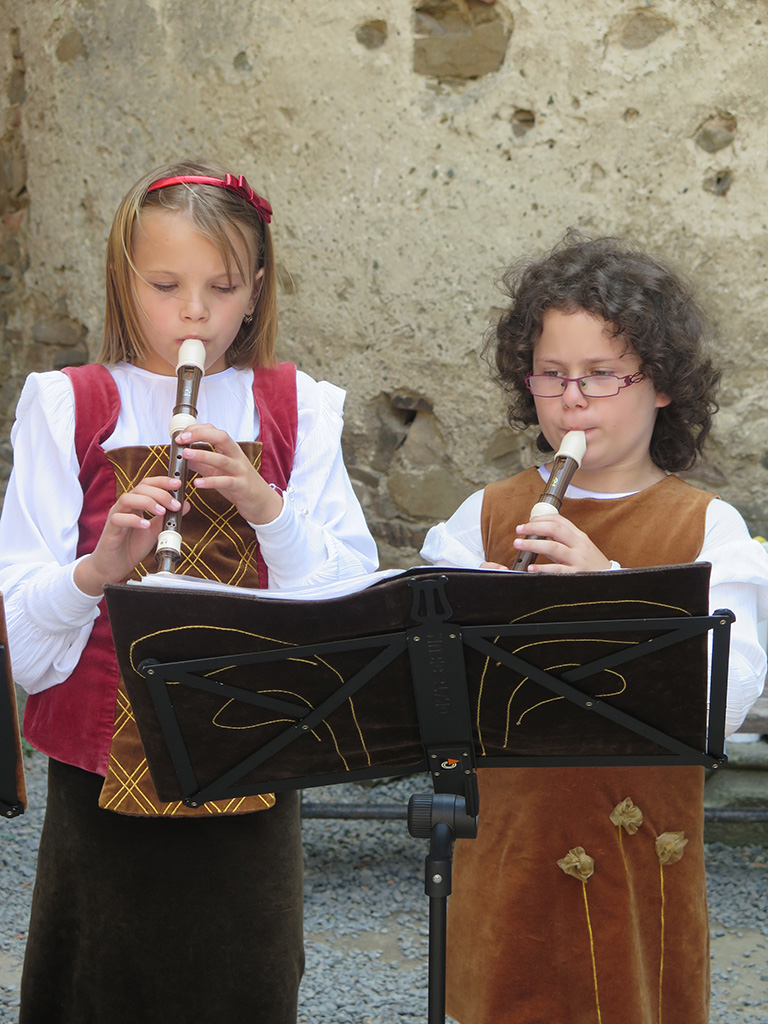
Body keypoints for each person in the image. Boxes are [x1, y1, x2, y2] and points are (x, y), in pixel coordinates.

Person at [0, 160, 378, 1024]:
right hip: (100, 776)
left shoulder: (297, 406)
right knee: (96, 985)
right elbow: (22, 639)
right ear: (123, 279)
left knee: (245, 983)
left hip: (256, 759)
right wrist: (99, 570)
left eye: (223, 286)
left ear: (258, 289)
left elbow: (351, 608)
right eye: (166, 285)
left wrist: (267, 510)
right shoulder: (67, 404)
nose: (196, 313)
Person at [420, 235, 768, 1024]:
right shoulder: (484, 516)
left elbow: (726, 703)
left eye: (602, 375)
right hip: (505, 851)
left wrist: (608, 587)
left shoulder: (709, 529)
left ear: (663, 385)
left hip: (638, 857)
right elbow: (418, 684)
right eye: (551, 374)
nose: (572, 400)